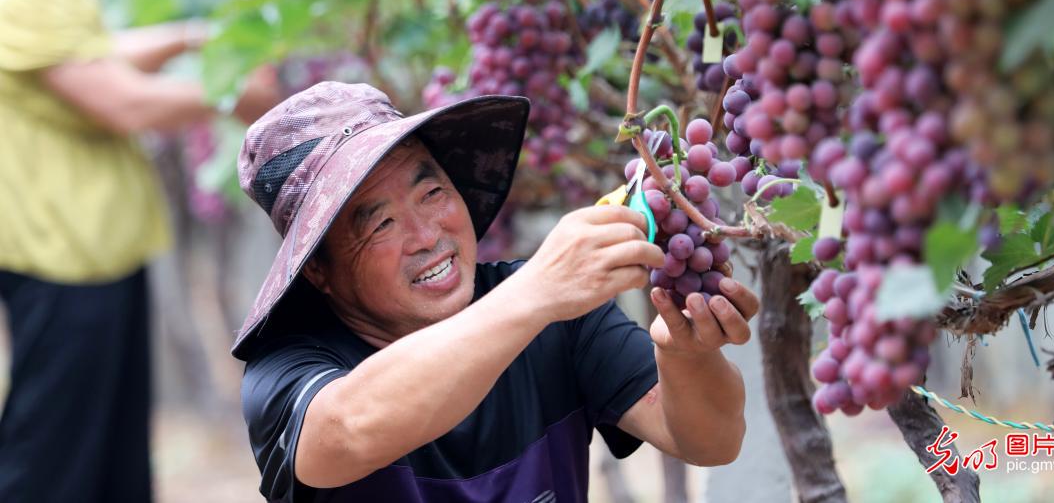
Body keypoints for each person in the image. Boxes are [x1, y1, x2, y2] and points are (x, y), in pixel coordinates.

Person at [234, 81, 758, 502]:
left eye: (432, 192)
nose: (427, 236)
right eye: (381, 224)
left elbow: (712, 438)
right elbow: (345, 431)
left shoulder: (556, 311)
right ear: (319, 270)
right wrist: (536, 292)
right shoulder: (287, 370)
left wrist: (684, 354)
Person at [0, 0, 281, 503]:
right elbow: (121, 99)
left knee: (110, 437)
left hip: (90, 251)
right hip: (64, 254)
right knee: (55, 442)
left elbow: (94, 56)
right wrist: (230, 94)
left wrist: (189, 36)